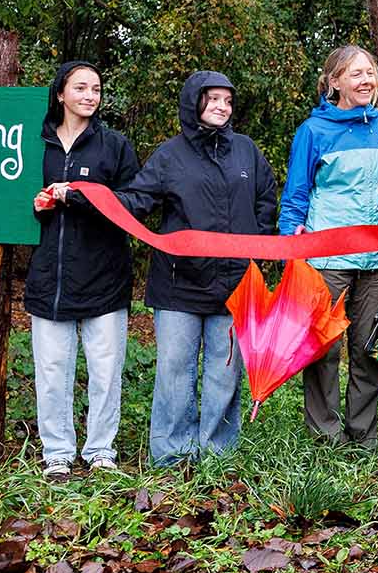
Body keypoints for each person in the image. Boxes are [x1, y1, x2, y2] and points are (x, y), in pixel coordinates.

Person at [117, 71, 277, 468]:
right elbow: (138, 200)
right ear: (194, 102)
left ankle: (218, 454)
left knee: (224, 377)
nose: (222, 107)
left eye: (227, 100)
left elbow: (265, 198)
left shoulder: (246, 151)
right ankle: (172, 455)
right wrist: (89, 198)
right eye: (213, 99)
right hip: (178, 286)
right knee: (175, 373)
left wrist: (254, 244)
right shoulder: (170, 155)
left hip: (235, 286)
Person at [277, 45, 378, 449]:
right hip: (327, 257)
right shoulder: (313, 131)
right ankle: (326, 435)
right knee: (322, 348)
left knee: (370, 349)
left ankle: (362, 434)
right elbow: (295, 196)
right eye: (355, 74)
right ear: (334, 82)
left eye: (370, 73)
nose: (365, 81)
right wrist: (289, 248)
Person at [25, 61, 141, 481]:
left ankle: (100, 451)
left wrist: (81, 197)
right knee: (52, 371)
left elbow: (137, 202)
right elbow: (13, 202)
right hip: (48, 279)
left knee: (106, 372)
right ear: (60, 94)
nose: (90, 96)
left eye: (96, 89)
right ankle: (56, 452)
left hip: (105, 276)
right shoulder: (35, 144)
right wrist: (38, 205)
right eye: (81, 88)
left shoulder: (114, 146)